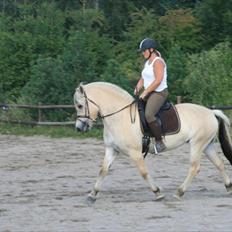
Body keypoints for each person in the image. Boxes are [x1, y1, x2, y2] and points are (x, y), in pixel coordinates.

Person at [134, 38, 169, 153]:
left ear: (151, 50)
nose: (142, 53)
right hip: (149, 92)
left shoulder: (158, 62)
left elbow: (158, 80)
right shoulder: (147, 62)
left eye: (144, 51)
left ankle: (159, 142)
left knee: (149, 114)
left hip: (159, 92)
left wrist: (146, 91)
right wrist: (139, 85)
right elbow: (144, 77)